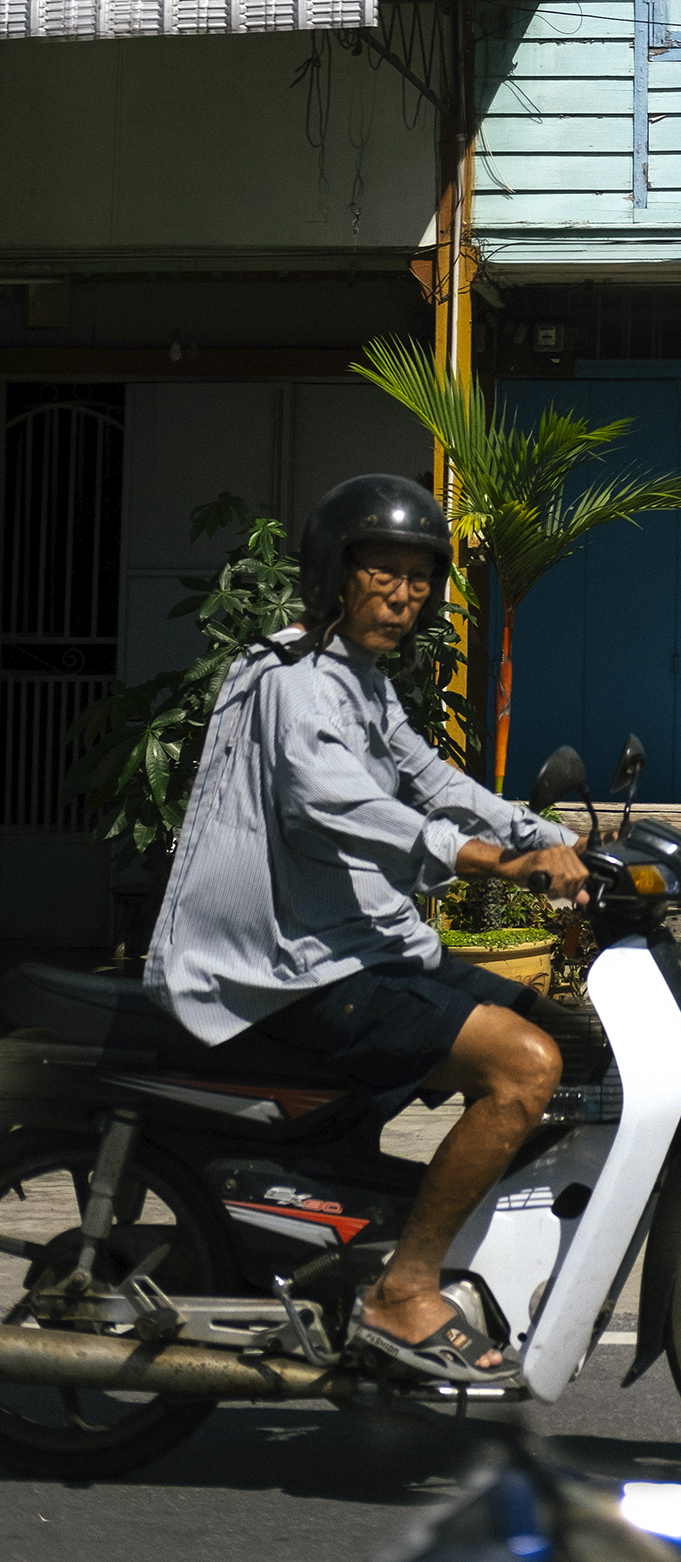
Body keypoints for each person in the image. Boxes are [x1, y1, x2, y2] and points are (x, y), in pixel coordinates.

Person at [145, 471, 590, 1389]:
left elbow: (429, 778)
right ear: (334, 575)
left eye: (419, 578)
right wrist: (490, 861)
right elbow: (335, 805)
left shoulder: (359, 679)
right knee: (524, 1065)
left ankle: (464, 1245)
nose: (402, 594)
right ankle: (403, 1291)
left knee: (574, 1041)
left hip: (356, 948)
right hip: (287, 968)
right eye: (381, 573)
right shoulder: (296, 681)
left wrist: (548, 836)